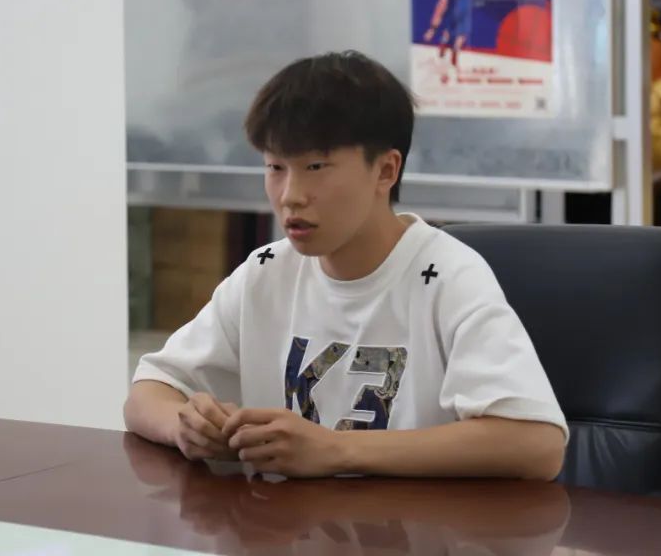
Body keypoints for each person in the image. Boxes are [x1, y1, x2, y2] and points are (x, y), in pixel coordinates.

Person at [124, 51, 567, 479]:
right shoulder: (266, 272)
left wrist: (336, 450)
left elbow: (537, 444)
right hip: (279, 523)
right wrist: (184, 425)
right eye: (275, 167)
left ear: (386, 171)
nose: (290, 196)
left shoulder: (448, 278)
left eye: (316, 166)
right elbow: (147, 392)